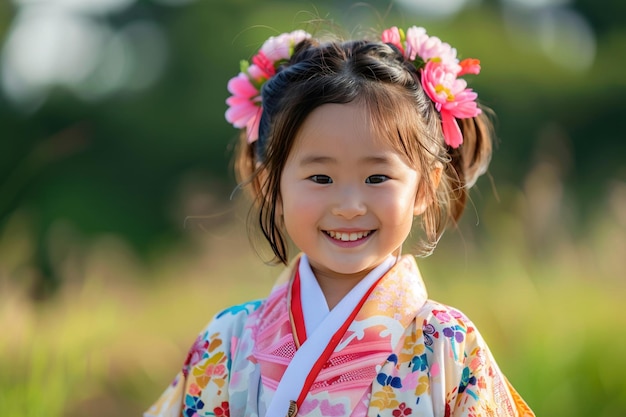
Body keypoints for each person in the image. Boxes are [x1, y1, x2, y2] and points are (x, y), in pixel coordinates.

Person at [145, 25, 535, 417]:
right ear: (270, 184)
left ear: (424, 187)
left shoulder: (447, 343)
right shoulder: (227, 341)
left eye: (377, 178)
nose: (349, 205)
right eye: (320, 178)